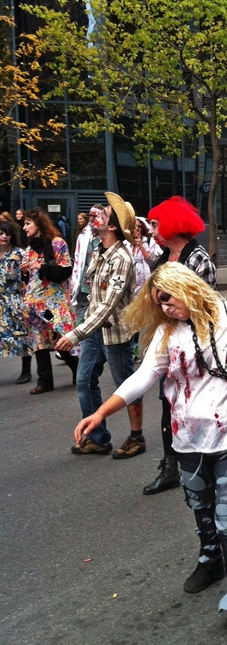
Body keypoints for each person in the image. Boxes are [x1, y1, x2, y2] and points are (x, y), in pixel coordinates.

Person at [73, 262, 227, 641]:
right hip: (188, 440)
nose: (165, 308)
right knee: (201, 508)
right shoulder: (166, 333)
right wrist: (100, 412)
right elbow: (142, 378)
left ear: (186, 287)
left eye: (167, 298)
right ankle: (210, 559)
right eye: (158, 303)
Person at [55, 193, 145, 458]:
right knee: (84, 381)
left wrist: (76, 334)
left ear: (113, 226)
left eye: (103, 213)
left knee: (127, 386)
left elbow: (107, 306)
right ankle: (97, 437)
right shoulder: (98, 250)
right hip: (94, 333)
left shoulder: (122, 259)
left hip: (116, 334)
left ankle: (136, 437)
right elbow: (93, 297)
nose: (96, 215)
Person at [142, 195, 216, 494]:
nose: (153, 229)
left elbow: (207, 308)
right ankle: (171, 464)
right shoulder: (161, 258)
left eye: (157, 224)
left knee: (198, 401)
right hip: (169, 341)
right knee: (167, 402)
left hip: (196, 343)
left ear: (173, 225)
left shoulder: (198, 259)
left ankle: (205, 458)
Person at [21, 208, 79, 394]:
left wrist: (42, 266)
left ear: (38, 225)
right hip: (34, 306)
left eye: (28, 223)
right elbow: (30, 280)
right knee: (40, 341)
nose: (24, 227)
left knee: (60, 337)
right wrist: (24, 271)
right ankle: (45, 381)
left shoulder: (57, 244)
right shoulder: (30, 249)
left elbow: (65, 271)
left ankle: (78, 371)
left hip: (52, 306)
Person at [0, 219, 32, 383]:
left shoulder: (19, 254)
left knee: (22, 335)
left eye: (7, 234)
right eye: (1, 233)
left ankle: (26, 371)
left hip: (15, 300)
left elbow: (30, 276)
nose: (4, 237)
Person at [70, 206, 101, 323]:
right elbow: (78, 259)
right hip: (84, 280)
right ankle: (78, 338)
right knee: (82, 310)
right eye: (90, 216)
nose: (92, 218)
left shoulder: (107, 237)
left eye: (95, 216)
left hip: (99, 280)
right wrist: (75, 279)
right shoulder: (83, 236)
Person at [132, 217, 162, 295]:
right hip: (131, 289)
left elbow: (155, 262)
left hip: (145, 288)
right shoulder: (126, 244)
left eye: (139, 227)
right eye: (134, 226)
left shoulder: (150, 243)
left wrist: (141, 246)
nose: (137, 229)